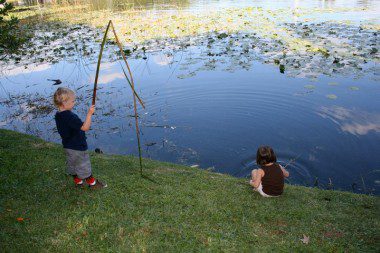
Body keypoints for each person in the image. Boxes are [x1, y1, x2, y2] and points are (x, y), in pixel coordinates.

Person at [53, 87, 107, 189]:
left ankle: (78, 181)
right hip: (77, 146)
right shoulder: (70, 117)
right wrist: (89, 114)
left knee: (72, 164)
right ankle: (93, 184)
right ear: (64, 103)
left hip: (67, 145)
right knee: (84, 165)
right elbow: (85, 127)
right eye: (73, 101)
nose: (74, 103)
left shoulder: (58, 114)